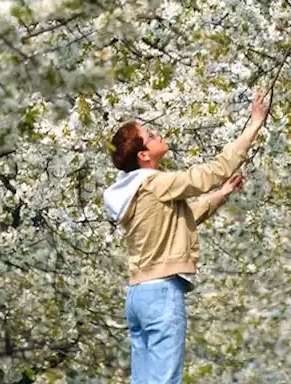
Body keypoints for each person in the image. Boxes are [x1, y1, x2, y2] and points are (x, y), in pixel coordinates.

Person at [103, 86, 271, 384]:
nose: (156, 134)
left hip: (138, 296)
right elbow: (212, 172)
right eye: (150, 136)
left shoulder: (133, 192)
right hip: (162, 294)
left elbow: (183, 219)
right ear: (144, 155)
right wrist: (254, 125)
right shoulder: (155, 182)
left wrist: (222, 195)